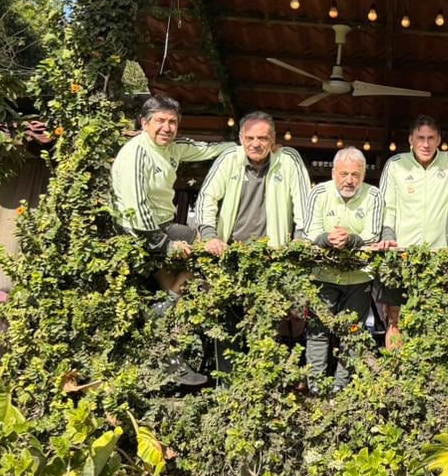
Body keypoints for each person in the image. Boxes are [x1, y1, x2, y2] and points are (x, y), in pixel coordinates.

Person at [109, 95, 236, 386]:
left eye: (172, 122)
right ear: (144, 123)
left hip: (163, 225)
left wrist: (246, 146)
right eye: (160, 121)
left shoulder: (172, 147)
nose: (167, 128)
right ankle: (169, 334)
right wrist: (165, 245)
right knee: (203, 253)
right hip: (139, 233)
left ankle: (166, 325)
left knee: (183, 283)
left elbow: (207, 149)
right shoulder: (135, 154)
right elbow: (137, 208)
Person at [300, 147, 395, 390]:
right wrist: (327, 238)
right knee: (318, 332)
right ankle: (316, 388)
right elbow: (309, 232)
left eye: (355, 174)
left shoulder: (374, 195)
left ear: (363, 175)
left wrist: (350, 239)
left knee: (352, 334)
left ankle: (340, 389)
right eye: (344, 174)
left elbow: (373, 235)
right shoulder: (318, 193)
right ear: (333, 173)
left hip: (359, 277)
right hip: (322, 274)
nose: (349, 180)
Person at [379, 116, 448, 342]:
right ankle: (394, 365)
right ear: (411, 139)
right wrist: (388, 237)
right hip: (399, 256)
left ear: (439, 139)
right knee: (395, 321)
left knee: (436, 321)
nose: (426, 144)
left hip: (437, 257)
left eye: (431, 138)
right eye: (420, 138)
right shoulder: (395, 164)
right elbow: (387, 206)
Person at [193, 111, 310, 251]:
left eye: (262, 138)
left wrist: (300, 236)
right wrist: (209, 236)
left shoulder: (289, 159)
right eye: (249, 138)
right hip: (229, 250)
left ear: (273, 139)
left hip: (274, 252)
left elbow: (303, 201)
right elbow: (207, 197)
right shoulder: (230, 158)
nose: (255, 144)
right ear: (241, 139)